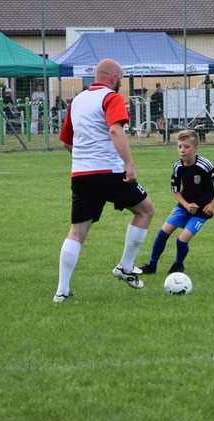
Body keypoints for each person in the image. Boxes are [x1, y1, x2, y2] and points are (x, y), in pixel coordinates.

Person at [53, 59, 155, 303]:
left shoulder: (76, 101)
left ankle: (62, 291)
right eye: (120, 79)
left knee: (76, 233)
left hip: (80, 175)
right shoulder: (111, 97)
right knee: (146, 211)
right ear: (113, 78)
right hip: (109, 172)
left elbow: (67, 142)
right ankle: (125, 267)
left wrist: (84, 160)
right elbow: (115, 130)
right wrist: (129, 164)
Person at [141, 129, 214, 275]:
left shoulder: (204, 165)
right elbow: (175, 190)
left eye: (186, 147)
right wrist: (186, 205)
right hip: (184, 206)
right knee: (163, 233)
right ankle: (152, 266)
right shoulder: (177, 166)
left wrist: (212, 204)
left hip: (202, 212)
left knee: (182, 240)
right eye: (180, 146)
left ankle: (178, 265)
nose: (182, 150)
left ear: (195, 148)